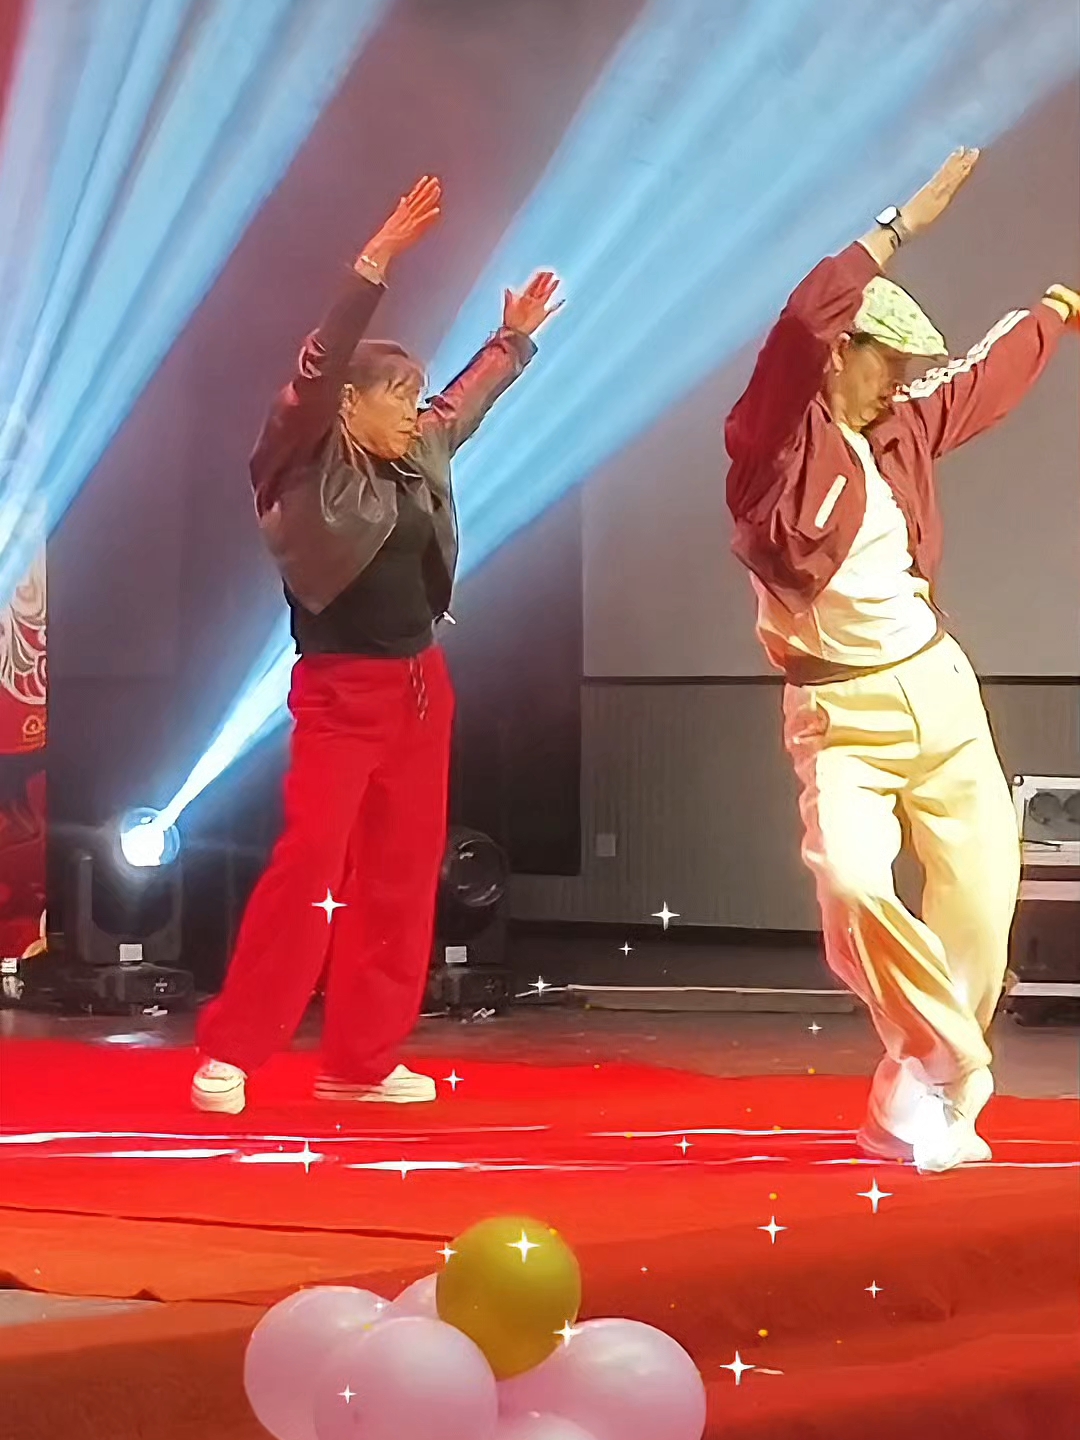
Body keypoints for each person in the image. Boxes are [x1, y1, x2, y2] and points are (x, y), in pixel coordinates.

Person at [725, 149, 1079, 1172]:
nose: (900, 382)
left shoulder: (901, 433)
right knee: (853, 888)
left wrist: (1056, 311)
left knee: (981, 897)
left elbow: (982, 381)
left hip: (939, 688)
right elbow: (796, 329)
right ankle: (943, 1060)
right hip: (843, 714)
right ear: (844, 352)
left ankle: (918, 1100)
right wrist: (896, 228)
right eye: (887, 362)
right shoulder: (772, 450)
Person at [192, 177, 561, 1114]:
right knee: (311, 863)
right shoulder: (301, 458)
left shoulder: (417, 451)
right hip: (340, 691)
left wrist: (513, 339)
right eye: (395, 399)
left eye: (412, 398)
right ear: (349, 407)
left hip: (420, 686)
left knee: (399, 878)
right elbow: (317, 368)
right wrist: (374, 265)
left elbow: (464, 404)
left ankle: (359, 1060)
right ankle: (234, 1049)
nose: (411, 411)